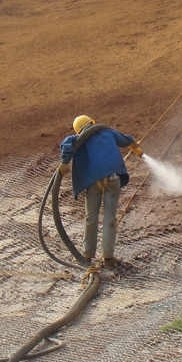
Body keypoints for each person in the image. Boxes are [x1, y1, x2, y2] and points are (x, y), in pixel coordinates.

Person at [58, 115, 142, 269]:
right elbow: (125, 139)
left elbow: (67, 144)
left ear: (78, 130)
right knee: (110, 218)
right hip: (113, 179)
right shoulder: (107, 132)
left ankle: (87, 256)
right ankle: (108, 258)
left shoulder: (78, 138)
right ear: (92, 122)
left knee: (91, 217)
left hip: (93, 182)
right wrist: (133, 143)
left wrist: (64, 163)